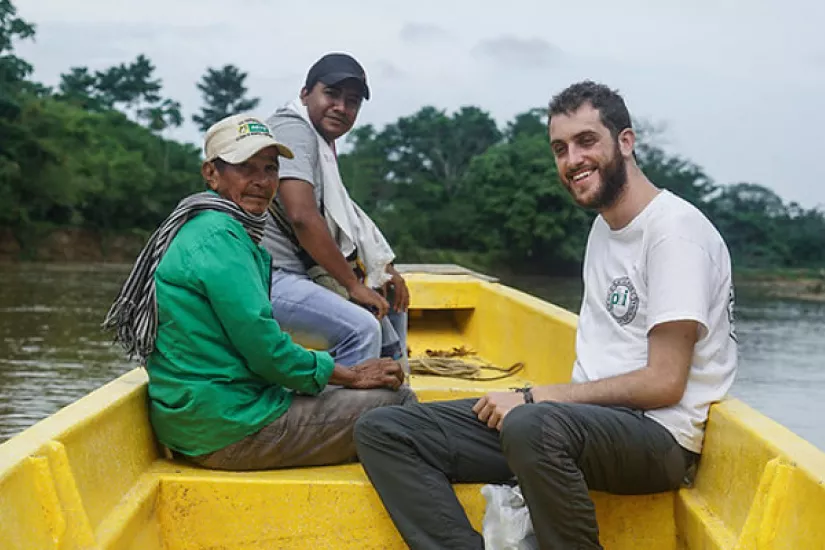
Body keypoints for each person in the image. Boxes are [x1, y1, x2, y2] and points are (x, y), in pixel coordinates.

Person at [353, 81, 738, 549]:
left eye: (586, 141)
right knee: (386, 430)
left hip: (656, 438)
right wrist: (540, 405)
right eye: (560, 149)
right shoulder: (604, 229)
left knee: (529, 423)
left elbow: (665, 382)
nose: (572, 159)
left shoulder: (674, 233)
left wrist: (535, 398)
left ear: (626, 141)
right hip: (571, 425)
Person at [102, 113, 415, 472]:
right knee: (398, 405)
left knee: (358, 395)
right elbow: (267, 353)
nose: (261, 181)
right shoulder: (222, 239)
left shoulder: (209, 226)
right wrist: (354, 375)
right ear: (211, 174)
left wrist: (337, 377)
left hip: (209, 418)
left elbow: (261, 350)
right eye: (244, 167)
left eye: (270, 168)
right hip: (229, 430)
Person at [262, 52, 410, 372]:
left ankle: (395, 394)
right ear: (305, 94)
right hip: (268, 279)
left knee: (388, 297)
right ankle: (342, 415)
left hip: (299, 275)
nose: (342, 107)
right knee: (362, 328)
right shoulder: (292, 128)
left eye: (352, 101)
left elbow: (348, 218)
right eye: (331, 94)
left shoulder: (322, 144)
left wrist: (383, 268)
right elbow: (302, 215)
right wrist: (353, 285)